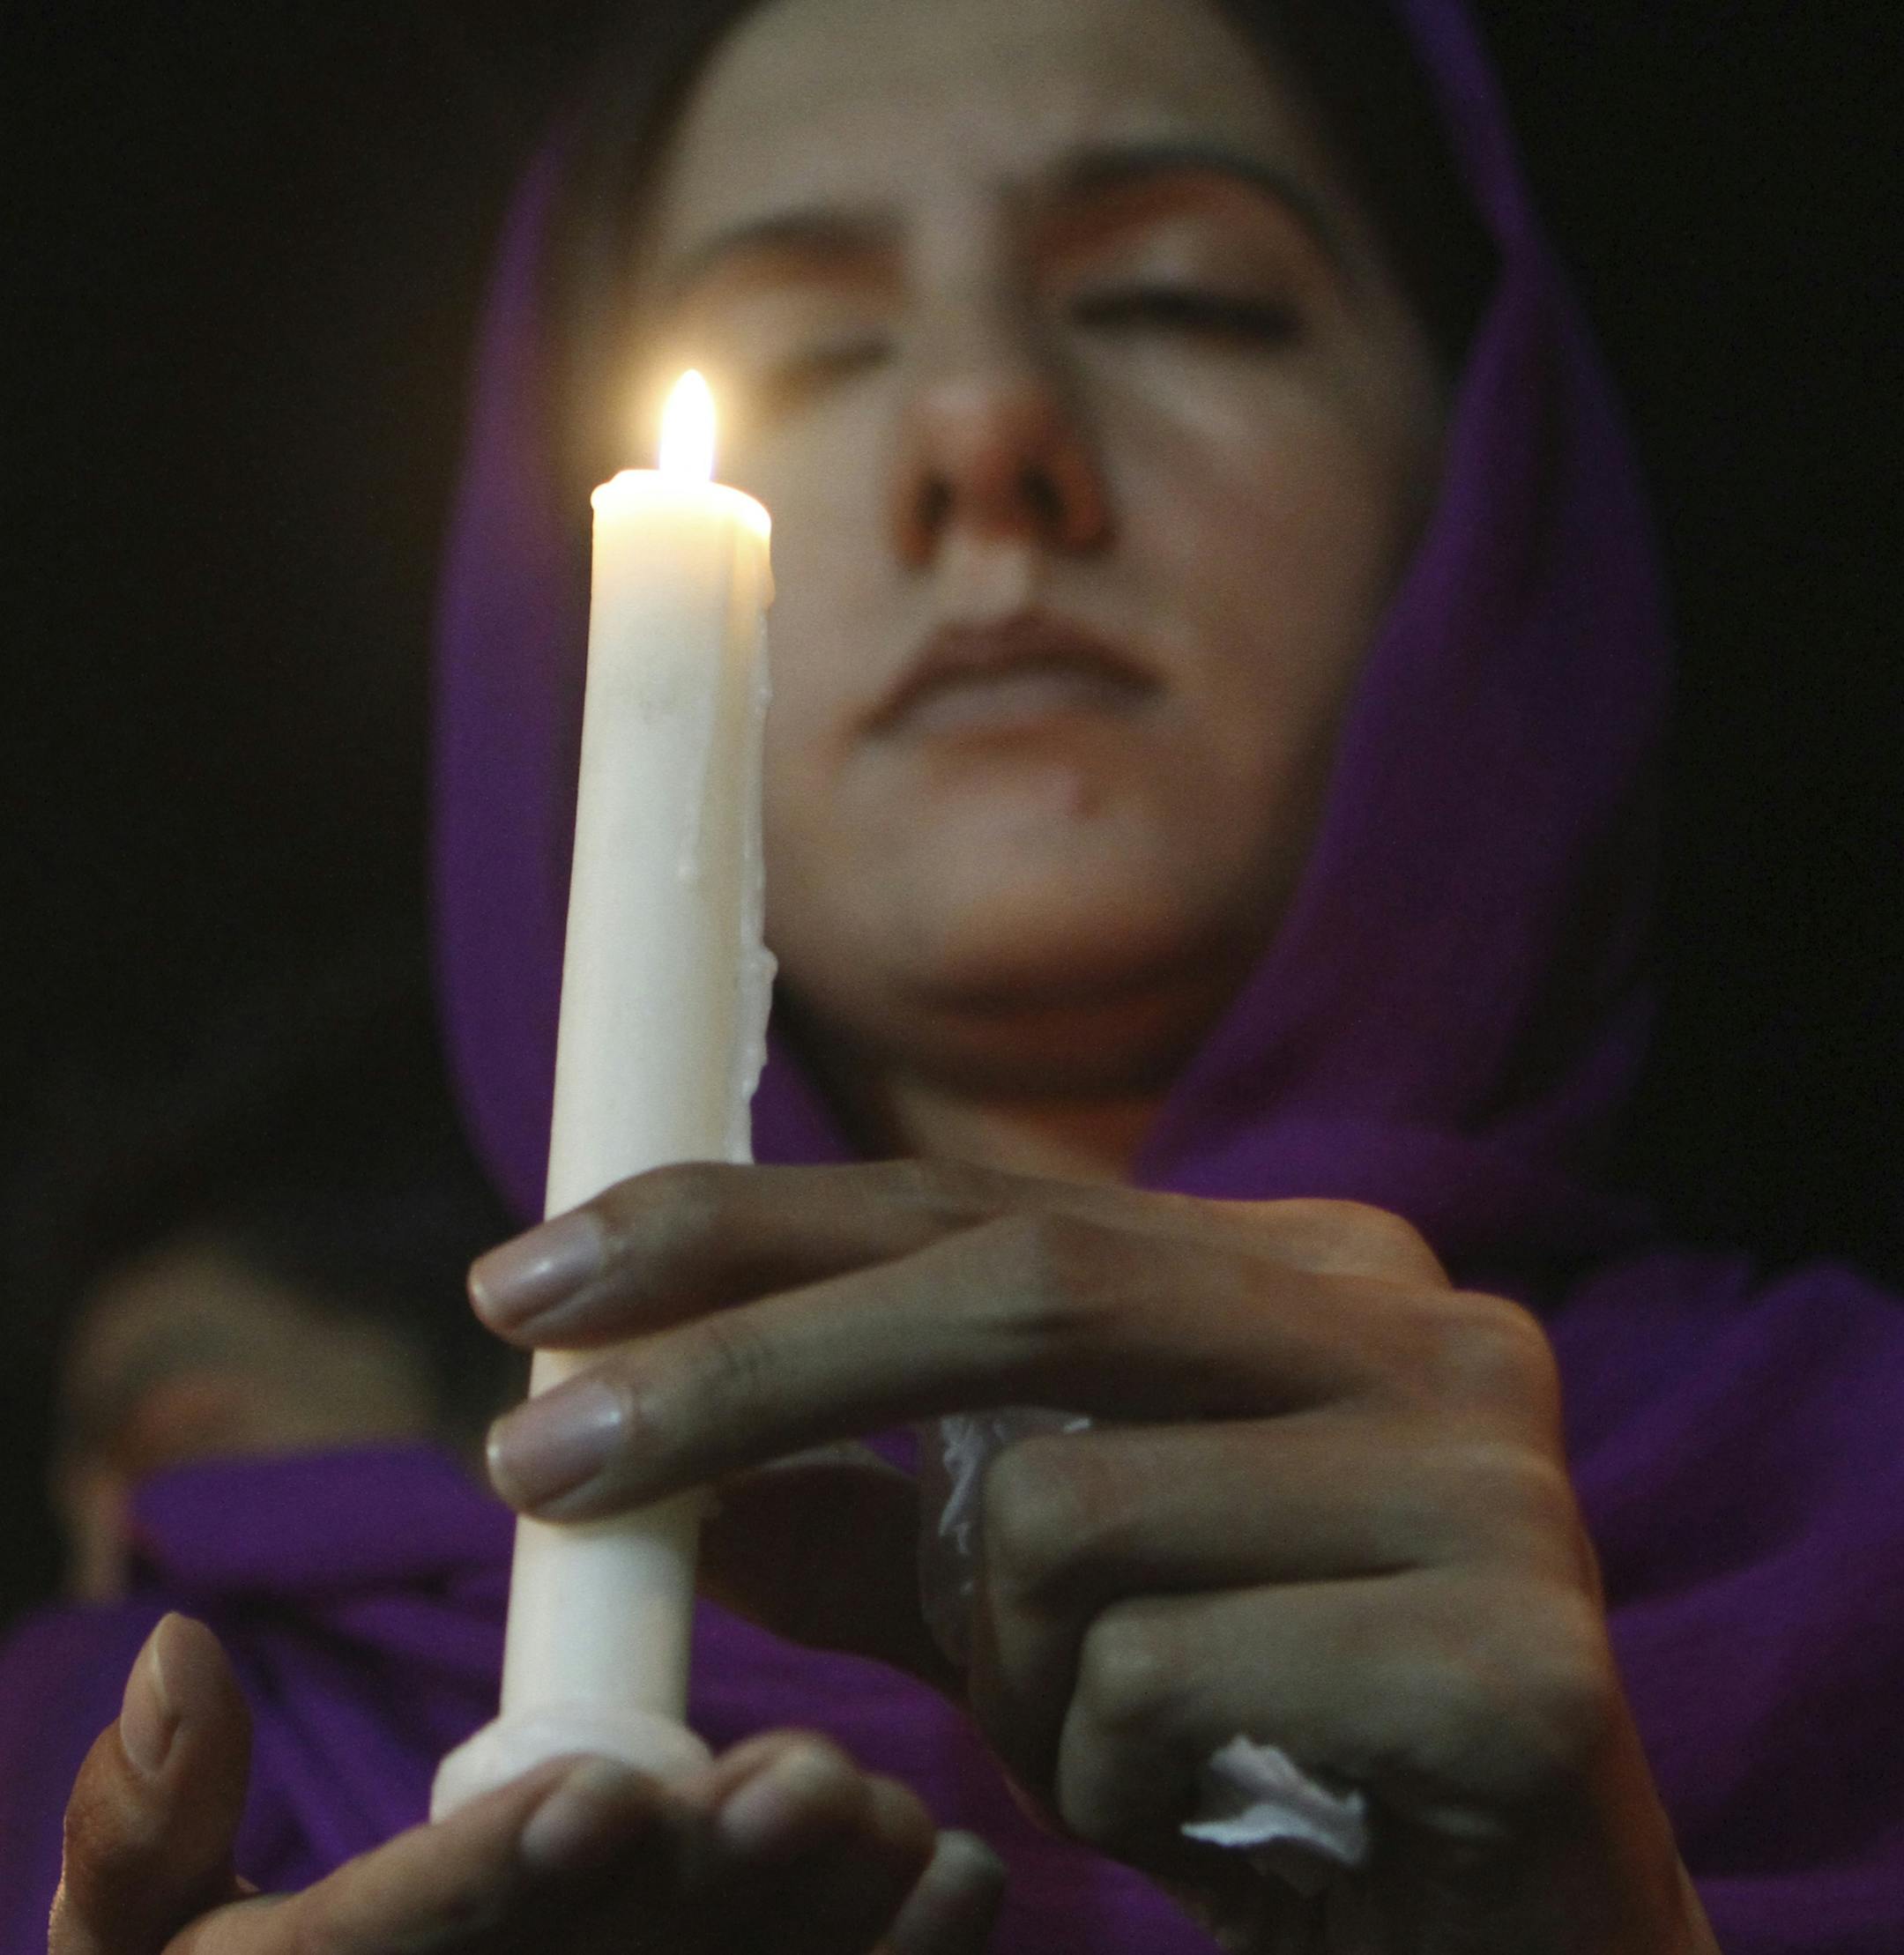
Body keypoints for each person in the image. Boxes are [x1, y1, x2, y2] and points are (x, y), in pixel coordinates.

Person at [16, 0, 1904, 1949]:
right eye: (802, 353)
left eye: (1185, 301)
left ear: (1492, 489)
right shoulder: (156, 1747)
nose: (986, 430)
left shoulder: (1863, 1533)